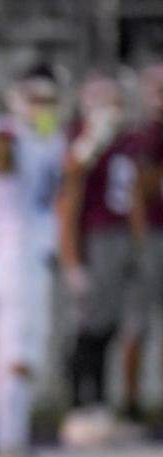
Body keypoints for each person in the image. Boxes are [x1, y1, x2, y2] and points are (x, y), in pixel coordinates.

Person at [0, 65, 65, 457]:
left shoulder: (51, 138)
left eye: (49, 101)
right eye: (36, 100)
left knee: (6, 358)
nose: (43, 108)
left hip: (30, 257)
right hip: (14, 258)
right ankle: (10, 450)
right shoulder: (6, 135)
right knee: (17, 358)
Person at [57, 72, 142, 444]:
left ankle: (100, 405)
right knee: (90, 327)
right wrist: (73, 259)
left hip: (122, 236)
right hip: (96, 238)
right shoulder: (80, 141)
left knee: (110, 327)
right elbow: (68, 199)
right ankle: (80, 404)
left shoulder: (129, 140)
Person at [121, 63, 163, 425]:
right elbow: (141, 190)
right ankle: (132, 405)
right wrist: (138, 240)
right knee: (138, 324)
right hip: (152, 236)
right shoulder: (147, 136)